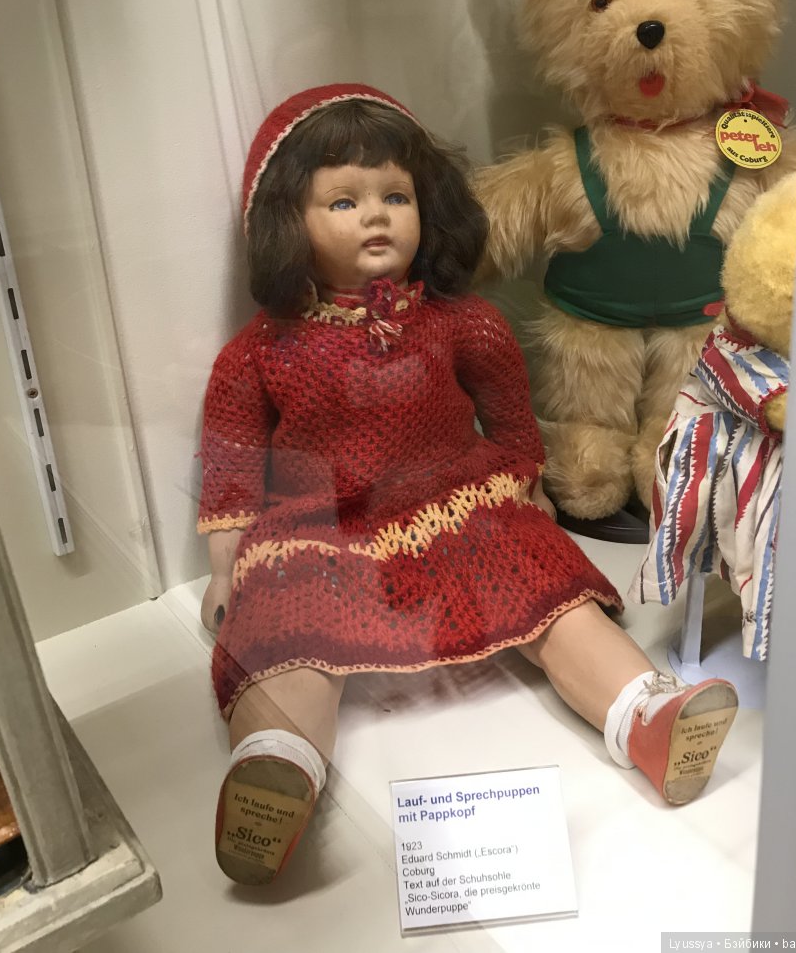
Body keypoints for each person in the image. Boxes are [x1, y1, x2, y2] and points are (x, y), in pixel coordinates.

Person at [198, 83, 738, 886]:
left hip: (464, 507)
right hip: (323, 529)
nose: (376, 216)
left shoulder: (462, 321)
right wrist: (225, 567)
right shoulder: (263, 350)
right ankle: (276, 767)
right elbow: (233, 461)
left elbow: (509, 413)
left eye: (396, 196)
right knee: (286, 637)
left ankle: (647, 712)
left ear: (429, 205)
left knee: (557, 605)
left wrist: (527, 485)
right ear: (285, 221)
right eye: (343, 201)